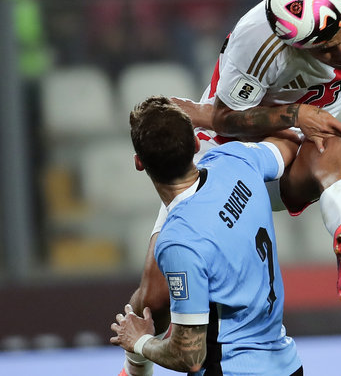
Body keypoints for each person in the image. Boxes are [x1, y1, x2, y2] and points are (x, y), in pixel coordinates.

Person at [119, 0, 341, 374]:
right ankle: (135, 367)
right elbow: (225, 121)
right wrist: (296, 113)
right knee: (153, 297)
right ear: (290, 43)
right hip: (227, 160)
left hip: (282, 150)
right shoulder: (254, 45)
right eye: (325, 51)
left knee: (332, 140)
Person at [110, 96, 303, 376]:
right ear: (197, 144)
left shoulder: (179, 241)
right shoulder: (236, 160)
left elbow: (190, 356)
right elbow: (290, 143)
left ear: (139, 163)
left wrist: (139, 341)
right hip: (288, 365)